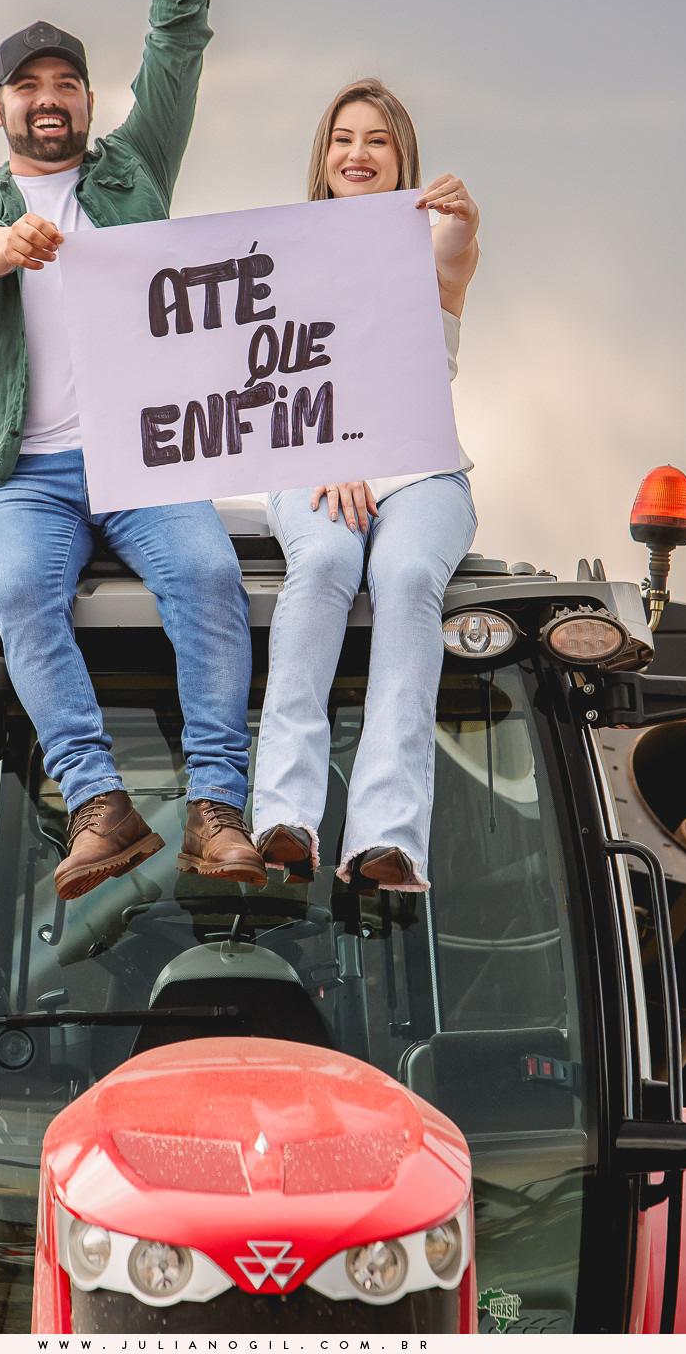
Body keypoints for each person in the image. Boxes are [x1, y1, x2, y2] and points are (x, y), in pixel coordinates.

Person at [0, 0, 265, 900]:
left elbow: (179, 38)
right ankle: (99, 802)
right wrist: (1, 242)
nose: (48, 98)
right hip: (25, 475)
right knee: (19, 586)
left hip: (143, 461)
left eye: (64, 80)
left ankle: (218, 805)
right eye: (26, 85)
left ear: (84, 97)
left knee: (214, 574)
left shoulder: (133, 173)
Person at [250, 78, 479, 893]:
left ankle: (386, 839)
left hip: (420, 474)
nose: (358, 153)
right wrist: (328, 449)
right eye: (344, 138)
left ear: (401, 157)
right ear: (323, 156)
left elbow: (454, 254)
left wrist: (458, 220)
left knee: (408, 578)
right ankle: (284, 816)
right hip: (309, 461)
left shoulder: (435, 244)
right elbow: (259, 377)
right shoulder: (278, 252)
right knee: (322, 568)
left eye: (377, 140)